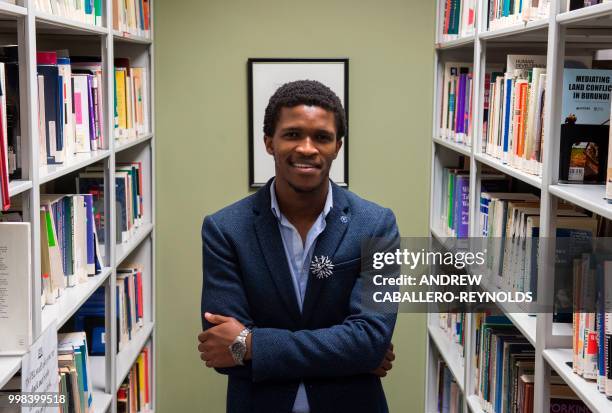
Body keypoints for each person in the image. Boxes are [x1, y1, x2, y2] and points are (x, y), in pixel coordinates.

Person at [198, 80, 399, 413]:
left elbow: (370, 341)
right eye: (292, 134)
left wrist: (251, 344)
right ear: (269, 142)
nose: (307, 148)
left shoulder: (377, 224)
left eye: (322, 137)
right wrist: (352, 355)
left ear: (337, 146)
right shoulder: (224, 229)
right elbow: (223, 353)